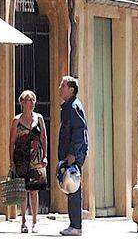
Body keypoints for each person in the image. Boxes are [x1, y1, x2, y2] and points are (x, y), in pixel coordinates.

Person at [11, 90, 48, 233]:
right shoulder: (16, 120)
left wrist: (45, 156)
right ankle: (23, 222)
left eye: (33, 100)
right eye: (28, 100)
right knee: (23, 190)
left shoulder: (39, 118)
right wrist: (11, 161)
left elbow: (44, 137)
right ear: (22, 102)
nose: (31, 103)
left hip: (36, 158)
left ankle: (35, 221)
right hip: (21, 158)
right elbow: (12, 142)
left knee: (34, 190)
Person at [56, 75, 88, 236]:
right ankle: (74, 225)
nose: (60, 88)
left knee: (73, 188)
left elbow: (79, 131)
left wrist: (73, 154)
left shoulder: (74, 106)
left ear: (71, 89)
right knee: (70, 187)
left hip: (73, 155)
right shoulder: (68, 106)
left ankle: (76, 226)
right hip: (70, 154)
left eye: (63, 86)